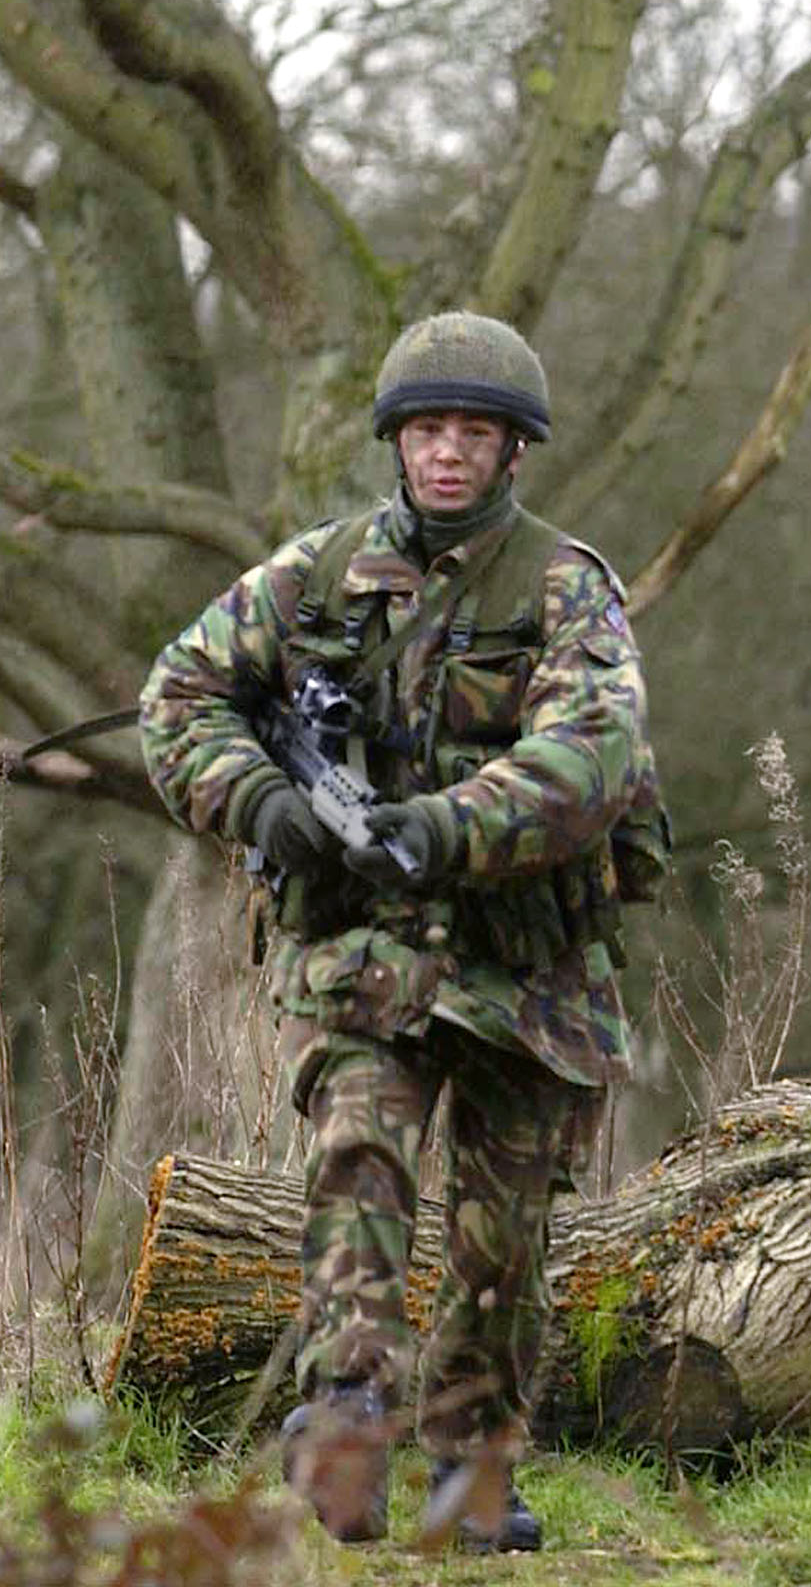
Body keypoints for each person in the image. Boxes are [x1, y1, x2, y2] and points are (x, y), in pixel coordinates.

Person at [139, 311, 665, 1549]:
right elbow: (179, 696)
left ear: (512, 451)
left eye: (471, 433)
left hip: (527, 965)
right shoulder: (315, 576)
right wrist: (263, 796)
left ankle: (472, 1472)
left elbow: (596, 750)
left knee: (507, 1233)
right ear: (394, 439)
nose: (445, 454)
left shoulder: (563, 585)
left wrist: (446, 825)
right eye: (426, 429)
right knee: (357, 1166)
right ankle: (347, 1409)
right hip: (365, 955)